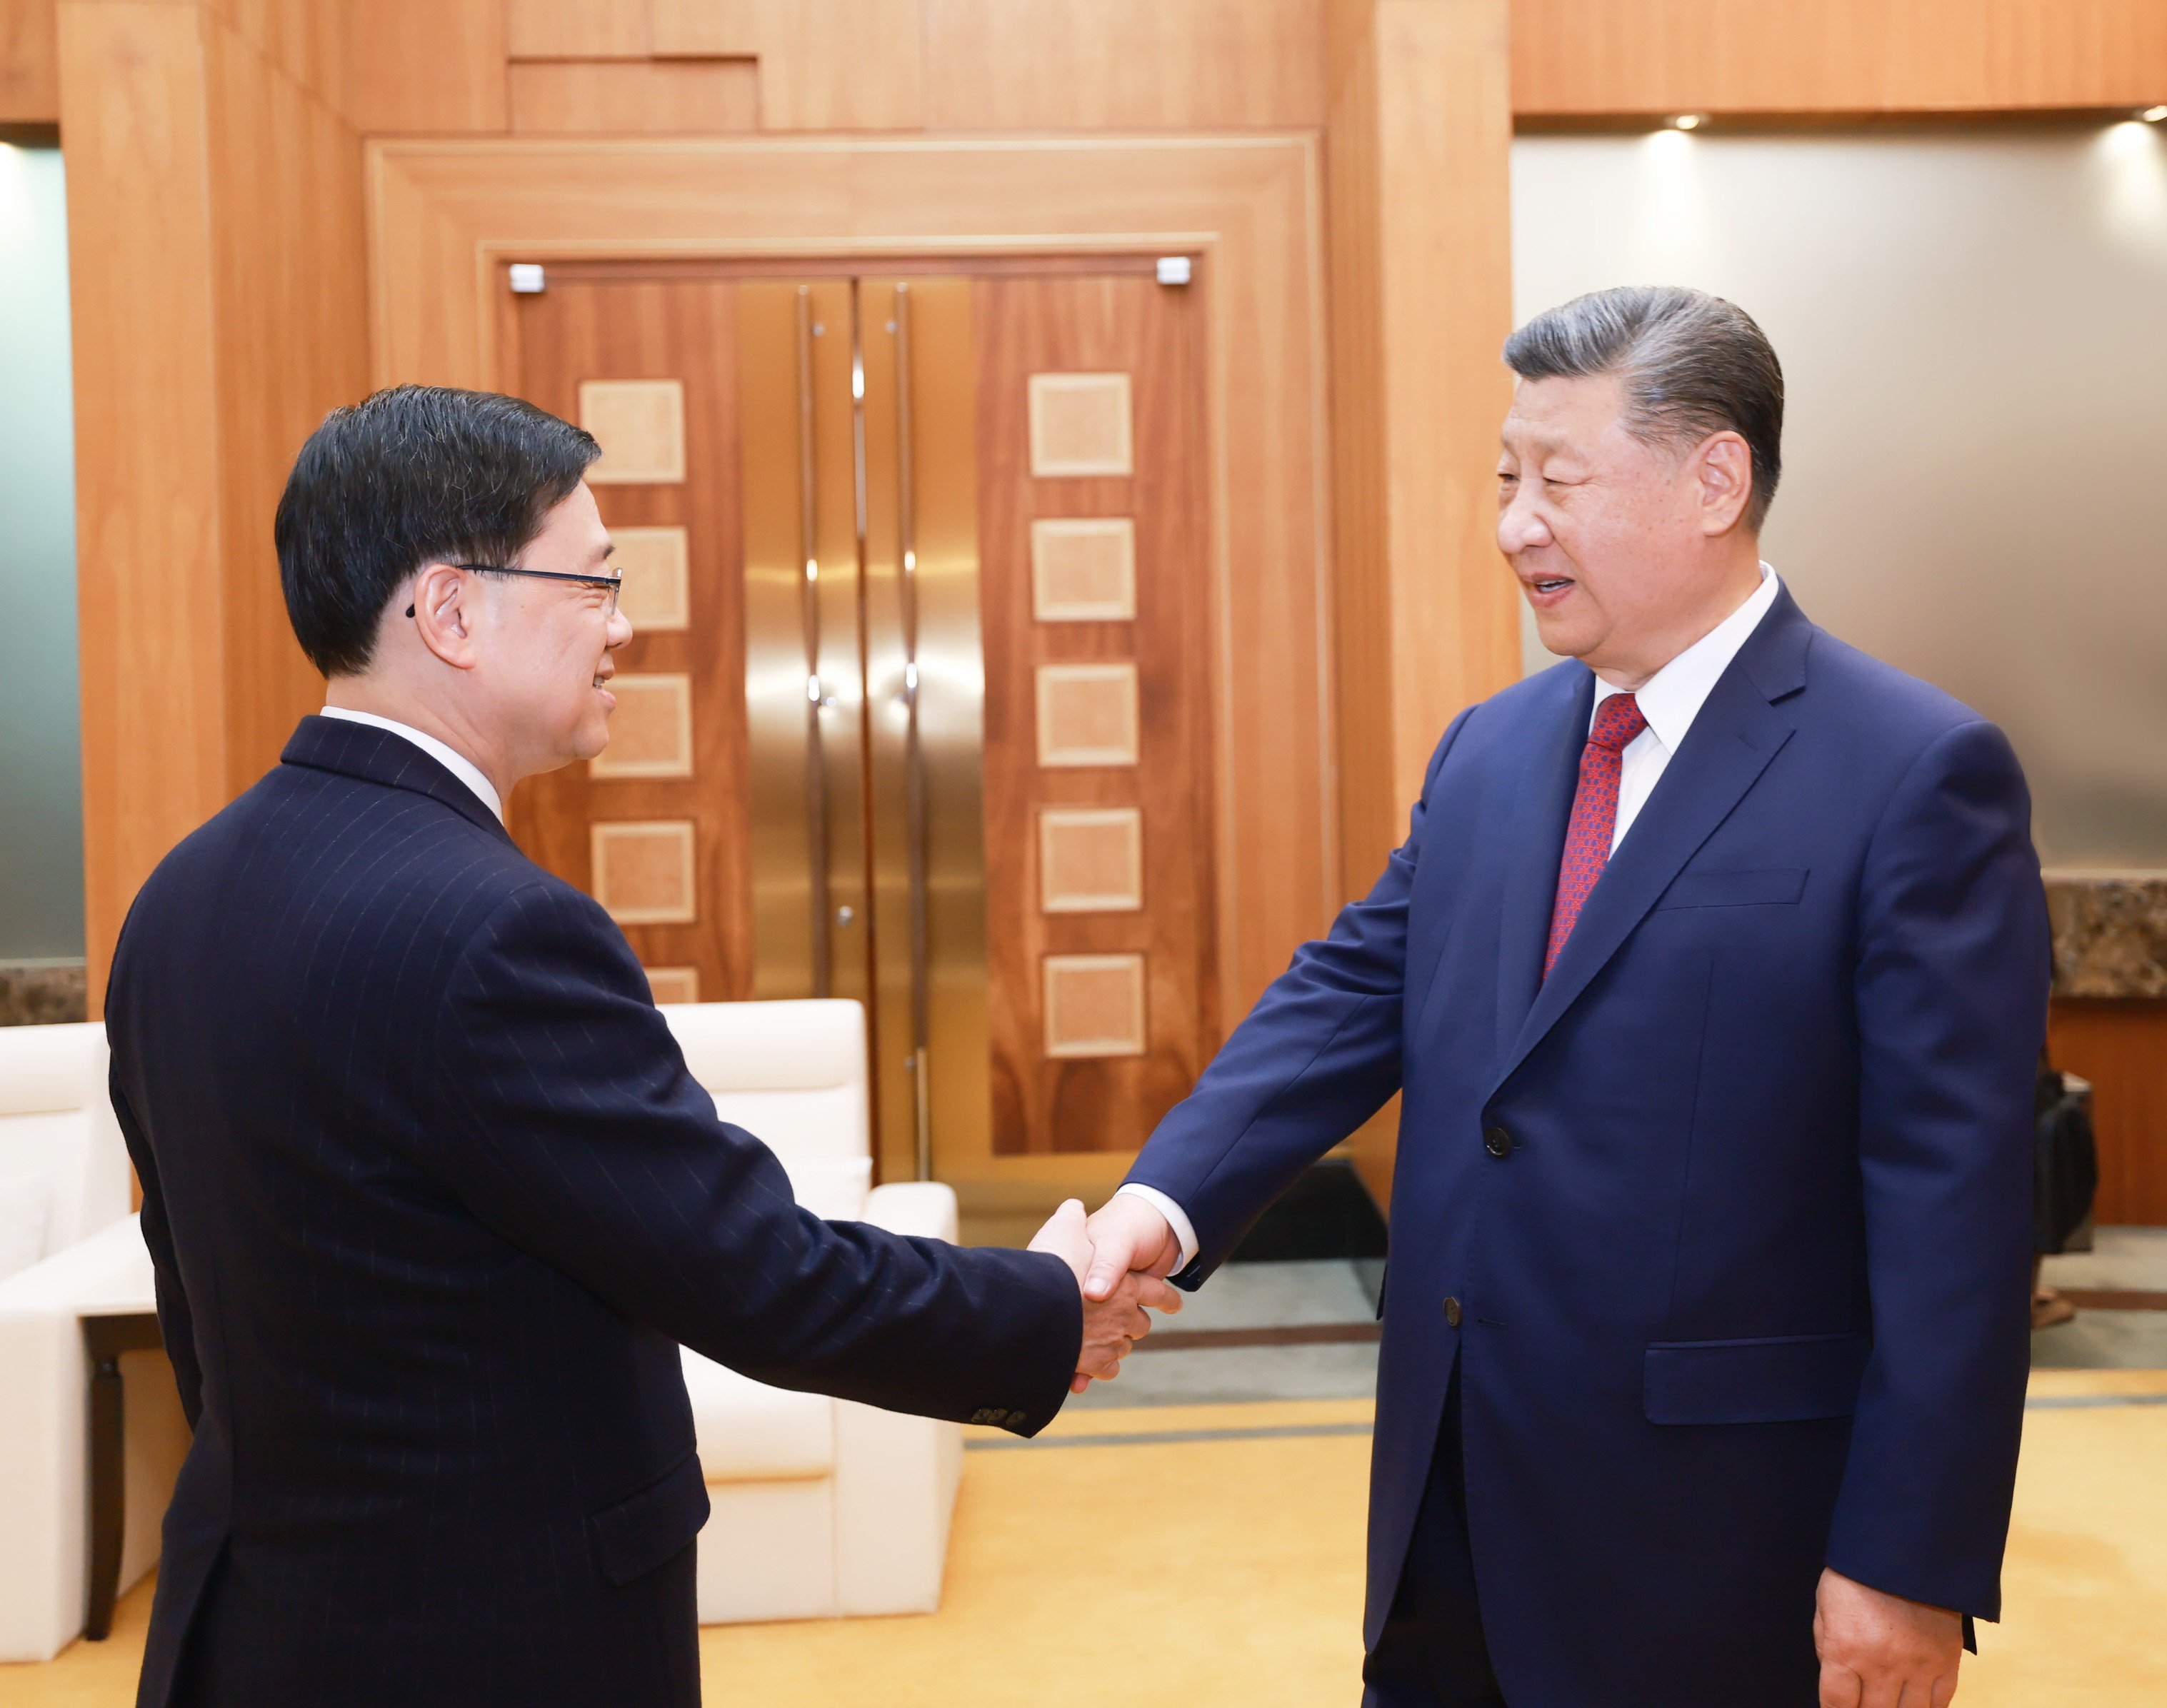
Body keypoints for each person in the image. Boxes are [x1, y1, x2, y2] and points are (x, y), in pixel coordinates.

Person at [104, 386, 1175, 1708]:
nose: (626, 624)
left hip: (253, 1626)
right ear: (451, 612)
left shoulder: (178, 898)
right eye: (595, 582)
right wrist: (1042, 1310)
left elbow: (197, 1309)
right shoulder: (495, 933)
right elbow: (753, 1270)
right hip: (488, 1636)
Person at [1081, 287, 2049, 1707]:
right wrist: (1155, 1207)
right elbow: (1350, 989)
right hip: (1447, 1496)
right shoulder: (1490, 746)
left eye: (1556, 478)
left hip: (1716, 1539)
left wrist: (1908, 1555)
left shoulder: (1910, 772)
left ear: (1711, 479)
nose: (1511, 524)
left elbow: (1954, 1206)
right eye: (1501, 478)